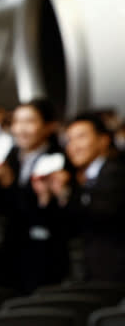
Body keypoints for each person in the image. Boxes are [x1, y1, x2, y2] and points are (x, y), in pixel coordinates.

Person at [0, 98, 69, 292]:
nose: (21, 129)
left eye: (30, 122)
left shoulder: (60, 160)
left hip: (46, 253)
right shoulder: (7, 157)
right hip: (10, 250)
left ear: (49, 126)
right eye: (16, 122)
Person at [39, 112, 125, 281]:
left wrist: (68, 194)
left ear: (103, 140)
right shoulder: (78, 179)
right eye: (69, 140)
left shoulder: (116, 173)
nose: (74, 146)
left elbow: (102, 214)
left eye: (81, 137)